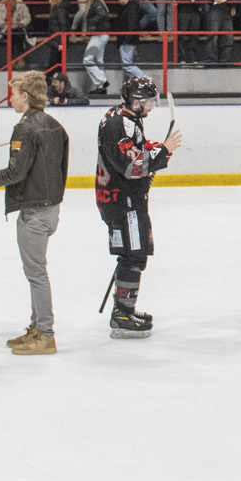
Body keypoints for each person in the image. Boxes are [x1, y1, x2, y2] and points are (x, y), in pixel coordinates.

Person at [0, 70, 70, 353]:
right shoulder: (56, 125)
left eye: (15, 93)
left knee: (36, 274)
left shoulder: (25, 128)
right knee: (36, 272)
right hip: (49, 208)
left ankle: (45, 333)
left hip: (35, 211)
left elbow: (15, 172)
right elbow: (62, 168)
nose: (11, 99)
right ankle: (37, 327)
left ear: (26, 96)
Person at [95, 72, 177, 339]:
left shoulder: (126, 118)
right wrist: (162, 151)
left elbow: (133, 150)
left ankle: (124, 308)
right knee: (134, 255)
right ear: (136, 100)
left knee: (133, 253)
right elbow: (131, 165)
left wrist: (155, 149)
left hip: (123, 198)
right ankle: (122, 314)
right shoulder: (119, 124)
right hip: (122, 200)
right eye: (149, 101)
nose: (152, 106)